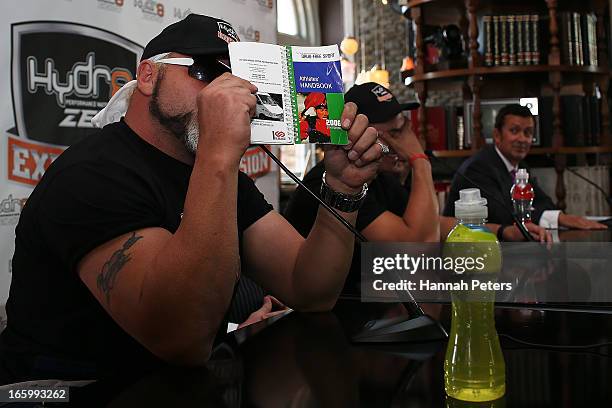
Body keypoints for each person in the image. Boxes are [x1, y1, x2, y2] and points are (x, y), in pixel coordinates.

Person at [0, 14, 384, 383]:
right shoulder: (91, 175)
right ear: (148, 76)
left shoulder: (219, 173)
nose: (231, 93)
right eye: (208, 73)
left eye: (240, 81)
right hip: (69, 389)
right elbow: (181, 338)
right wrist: (219, 151)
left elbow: (310, 288)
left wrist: (342, 190)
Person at [284, 83, 549, 293]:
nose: (410, 141)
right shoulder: (335, 182)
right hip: (327, 316)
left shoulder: (382, 177)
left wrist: (503, 232)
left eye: (406, 130)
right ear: (364, 135)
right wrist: (420, 162)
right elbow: (418, 246)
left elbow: (432, 224)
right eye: (398, 134)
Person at [444, 104, 607, 230]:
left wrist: (559, 216)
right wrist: (558, 218)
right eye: (514, 131)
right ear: (497, 135)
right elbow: (502, 215)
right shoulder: (478, 168)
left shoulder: (520, 166)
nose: (522, 139)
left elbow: (544, 203)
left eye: (528, 133)